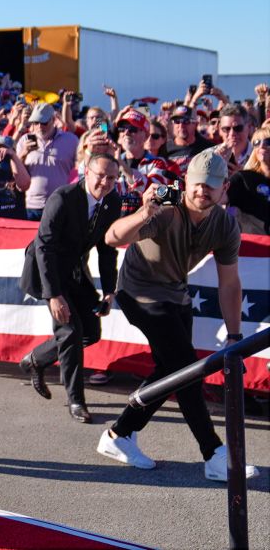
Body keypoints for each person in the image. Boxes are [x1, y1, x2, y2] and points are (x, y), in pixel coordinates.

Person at [97, 150, 261, 482]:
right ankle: (215, 454)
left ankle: (119, 434)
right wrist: (144, 213)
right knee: (185, 368)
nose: (204, 191)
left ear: (224, 187)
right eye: (199, 183)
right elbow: (112, 237)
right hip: (139, 291)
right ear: (186, 181)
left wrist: (234, 338)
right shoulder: (166, 211)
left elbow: (229, 283)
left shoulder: (225, 224)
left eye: (212, 186)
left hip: (175, 292)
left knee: (171, 368)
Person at [18, 154, 122, 423]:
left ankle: (36, 359)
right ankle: (76, 400)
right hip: (48, 270)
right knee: (71, 332)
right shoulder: (62, 198)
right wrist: (53, 295)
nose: (105, 182)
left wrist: (110, 290)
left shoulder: (113, 201)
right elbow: (45, 247)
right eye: (100, 175)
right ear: (86, 172)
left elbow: (107, 249)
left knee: (90, 332)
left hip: (75, 270)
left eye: (111, 177)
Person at [18, 102, 79, 219]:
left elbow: (79, 170)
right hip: (33, 206)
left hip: (62, 204)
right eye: (36, 122)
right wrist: (23, 154)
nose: (40, 127)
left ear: (53, 120)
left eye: (44, 122)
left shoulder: (71, 140)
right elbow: (16, 173)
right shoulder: (24, 141)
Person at [227, 123, 270, 235]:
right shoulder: (243, 178)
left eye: (268, 142)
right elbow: (218, 198)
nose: (261, 146)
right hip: (253, 247)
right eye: (256, 143)